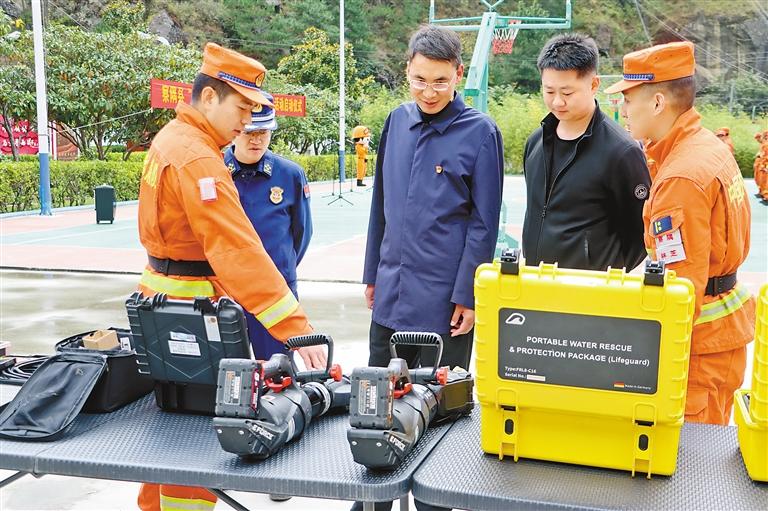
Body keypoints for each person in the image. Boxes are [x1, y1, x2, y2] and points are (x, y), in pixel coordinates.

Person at [136, 42, 325, 511]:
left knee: (167, 428)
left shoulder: (172, 139)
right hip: (194, 313)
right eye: (241, 108)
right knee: (197, 438)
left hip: (161, 300)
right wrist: (297, 328)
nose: (247, 122)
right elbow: (238, 252)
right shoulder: (201, 161)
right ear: (209, 98)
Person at [606, 40, 755, 425]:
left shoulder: (681, 178)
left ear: (657, 103)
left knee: (687, 456)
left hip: (696, 351)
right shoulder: (705, 147)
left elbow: (681, 288)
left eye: (628, 99)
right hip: (718, 337)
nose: (622, 108)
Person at [363, 25, 504, 372]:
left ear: (458, 73)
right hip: (391, 294)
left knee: (440, 399)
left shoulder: (481, 132)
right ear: (407, 70)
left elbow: (484, 225)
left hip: (444, 305)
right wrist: (372, 275)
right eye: (419, 80)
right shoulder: (397, 122)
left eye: (440, 81)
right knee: (378, 392)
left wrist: (468, 296)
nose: (428, 93)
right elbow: (380, 206)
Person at [522, 33, 650, 272]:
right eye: (549, 91)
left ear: (593, 85)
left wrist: (604, 271)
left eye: (567, 93)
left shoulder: (621, 152)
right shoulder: (536, 143)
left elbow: (639, 232)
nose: (557, 102)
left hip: (591, 289)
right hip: (535, 282)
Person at [224, 93, 313, 361]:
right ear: (235, 130)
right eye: (250, 132)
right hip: (227, 290)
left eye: (263, 132)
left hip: (275, 292)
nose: (257, 140)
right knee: (227, 371)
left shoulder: (290, 175)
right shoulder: (214, 171)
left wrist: (280, 267)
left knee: (277, 370)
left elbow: (302, 233)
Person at [755, 130, 768, 203]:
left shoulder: (766, 145)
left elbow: (765, 157)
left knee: (765, 181)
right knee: (761, 180)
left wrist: (764, 166)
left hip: (764, 165)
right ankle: (763, 194)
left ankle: (766, 196)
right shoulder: (764, 144)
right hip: (762, 165)